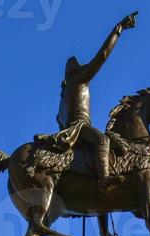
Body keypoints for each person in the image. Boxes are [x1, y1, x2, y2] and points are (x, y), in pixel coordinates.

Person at [57, 11, 138, 192]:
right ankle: (104, 179)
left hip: (69, 131)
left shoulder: (64, 96)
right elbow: (102, 55)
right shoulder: (79, 81)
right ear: (76, 72)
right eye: (82, 68)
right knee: (102, 140)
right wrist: (119, 29)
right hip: (79, 127)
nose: (86, 69)